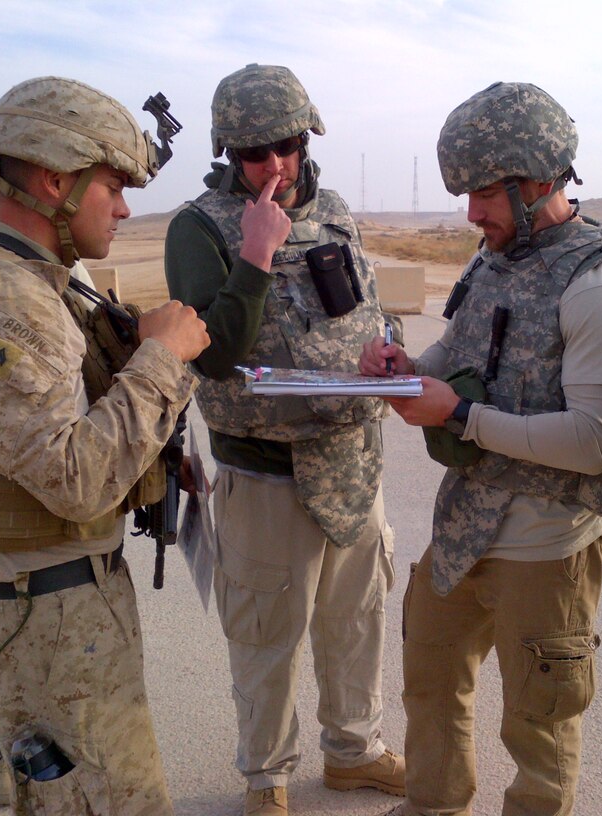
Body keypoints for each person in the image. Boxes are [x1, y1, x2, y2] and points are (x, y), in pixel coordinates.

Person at [0, 76, 210, 816]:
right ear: (56, 181)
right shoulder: (3, 296)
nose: (123, 209)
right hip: (47, 621)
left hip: (48, 610)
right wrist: (164, 360)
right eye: (112, 188)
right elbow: (72, 478)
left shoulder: (37, 284)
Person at [361, 82, 602, 816]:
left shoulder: (601, 287)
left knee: (539, 719)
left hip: (548, 542)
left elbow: (594, 441)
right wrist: (412, 375)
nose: (471, 213)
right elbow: (461, 352)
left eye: (485, 194)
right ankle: (432, 805)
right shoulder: (493, 258)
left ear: (539, 181)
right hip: (466, 527)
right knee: (429, 683)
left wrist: (460, 414)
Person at [164, 63, 403, 816]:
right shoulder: (199, 227)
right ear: (228, 154)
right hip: (267, 475)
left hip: (354, 462)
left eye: (287, 147)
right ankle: (266, 778)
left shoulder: (333, 210)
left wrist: (384, 347)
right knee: (266, 633)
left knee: (357, 620)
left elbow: (362, 310)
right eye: (255, 153)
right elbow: (216, 351)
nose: (275, 167)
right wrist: (257, 250)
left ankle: (353, 751)